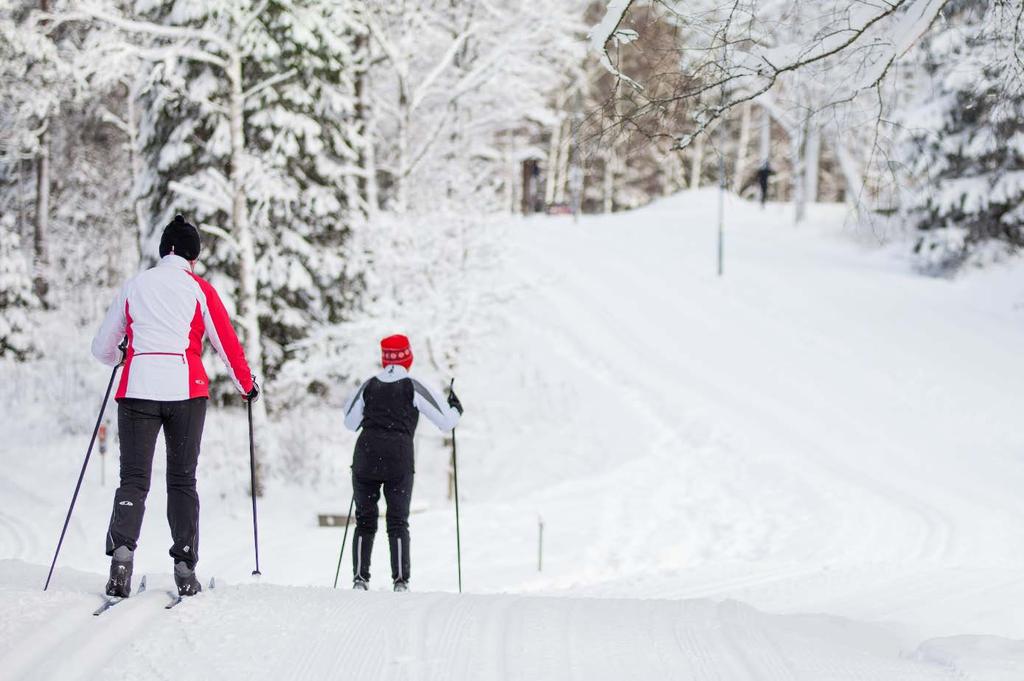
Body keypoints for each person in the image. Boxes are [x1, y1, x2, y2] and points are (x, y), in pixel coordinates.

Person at [91, 214, 259, 599]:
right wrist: (247, 386)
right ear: (193, 258)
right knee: (182, 479)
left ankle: (121, 560)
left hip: (137, 390)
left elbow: (102, 348)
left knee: (133, 479)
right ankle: (185, 567)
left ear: (163, 249)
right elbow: (226, 344)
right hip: (187, 392)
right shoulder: (199, 289)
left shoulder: (136, 286)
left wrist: (122, 354)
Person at [342, 334, 463, 592]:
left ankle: (360, 580)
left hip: (365, 456)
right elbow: (446, 422)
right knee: (397, 521)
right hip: (398, 459)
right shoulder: (414, 385)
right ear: (408, 357)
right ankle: (400, 582)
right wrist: (455, 408)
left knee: (364, 519)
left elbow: (350, 422)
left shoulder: (368, 385)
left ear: (384, 358)